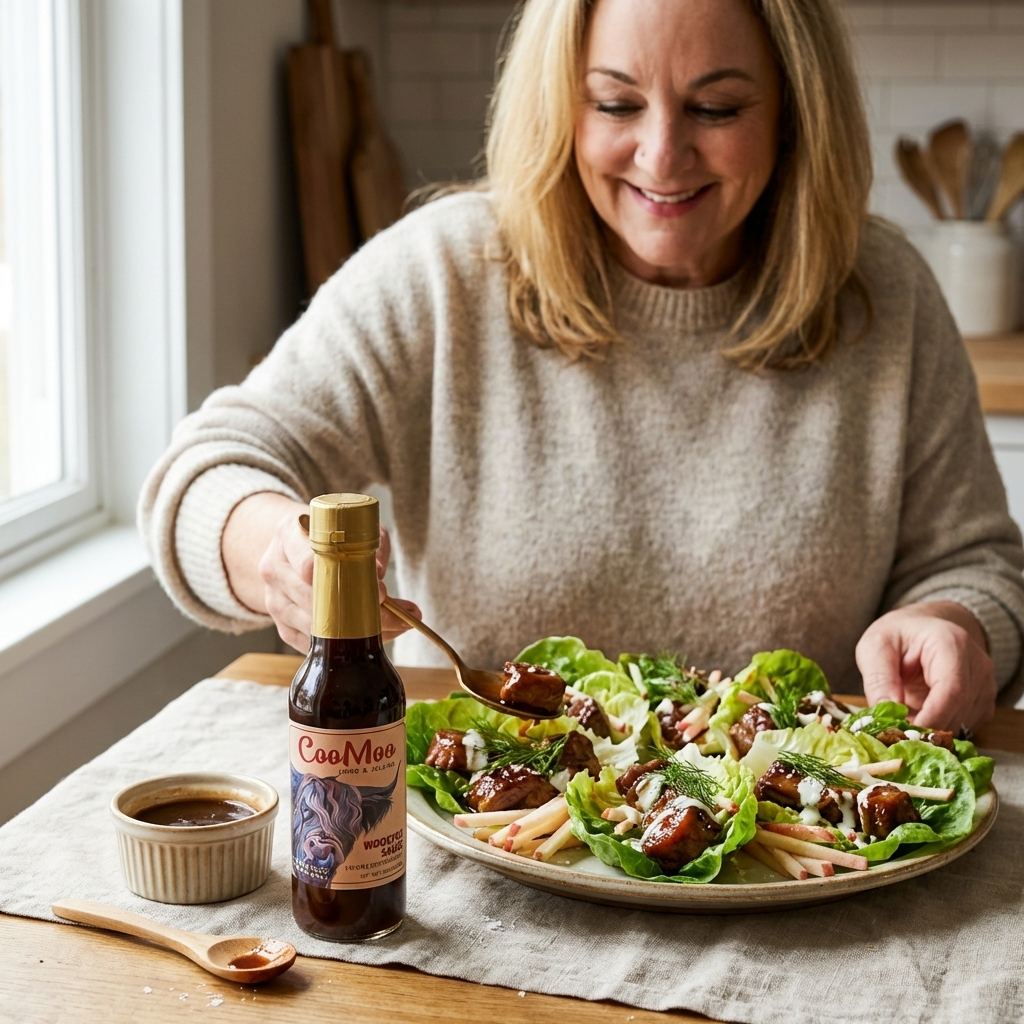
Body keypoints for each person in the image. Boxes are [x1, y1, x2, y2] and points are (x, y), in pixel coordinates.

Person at [139, 0, 1024, 731]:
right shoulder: (443, 275)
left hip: (799, 877)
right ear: (561, 102)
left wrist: (953, 624)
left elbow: (981, 565)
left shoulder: (888, 294)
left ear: (795, 110)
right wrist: (278, 558)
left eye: (717, 108)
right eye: (615, 104)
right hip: (481, 858)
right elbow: (202, 474)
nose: (663, 155)